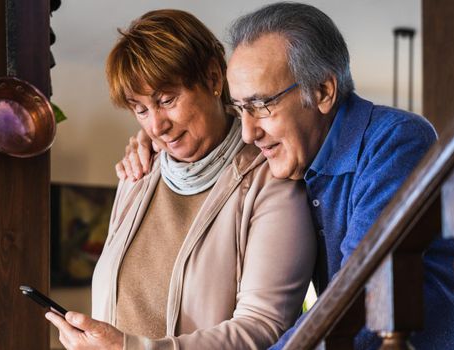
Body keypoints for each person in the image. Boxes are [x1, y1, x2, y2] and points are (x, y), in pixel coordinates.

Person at [117, 3, 454, 349]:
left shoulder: (396, 140)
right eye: (241, 109)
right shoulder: (299, 156)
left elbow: (362, 296)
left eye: (260, 106)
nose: (249, 133)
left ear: (324, 92)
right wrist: (158, 137)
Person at [46, 9, 316, 350]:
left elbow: (264, 327)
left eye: (167, 100)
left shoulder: (270, 182)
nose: (156, 125)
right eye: (141, 109)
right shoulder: (137, 174)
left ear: (214, 79)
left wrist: (130, 348)